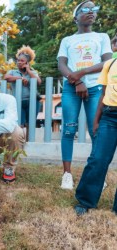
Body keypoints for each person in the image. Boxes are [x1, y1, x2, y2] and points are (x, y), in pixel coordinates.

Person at [57, 1, 112, 190]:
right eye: (85, 9)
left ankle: (96, 175)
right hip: (71, 89)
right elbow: (62, 65)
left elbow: (107, 62)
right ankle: (67, 175)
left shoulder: (102, 37)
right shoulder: (67, 40)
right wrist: (77, 82)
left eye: (93, 9)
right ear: (75, 17)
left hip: (96, 88)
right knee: (69, 130)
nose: (91, 12)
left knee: (96, 130)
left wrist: (81, 74)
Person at [74, 57, 117, 215]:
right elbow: (104, 94)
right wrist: (96, 120)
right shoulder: (110, 64)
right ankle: (85, 201)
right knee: (98, 159)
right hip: (110, 116)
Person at [4, 45, 42, 141]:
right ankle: (19, 142)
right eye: (18, 60)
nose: (19, 62)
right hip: (18, 101)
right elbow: (6, 78)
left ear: (27, 63)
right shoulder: (13, 72)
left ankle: (29, 142)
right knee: (19, 123)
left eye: (22, 61)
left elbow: (38, 82)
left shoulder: (33, 72)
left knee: (30, 123)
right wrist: (20, 78)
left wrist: (28, 71)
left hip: (32, 101)